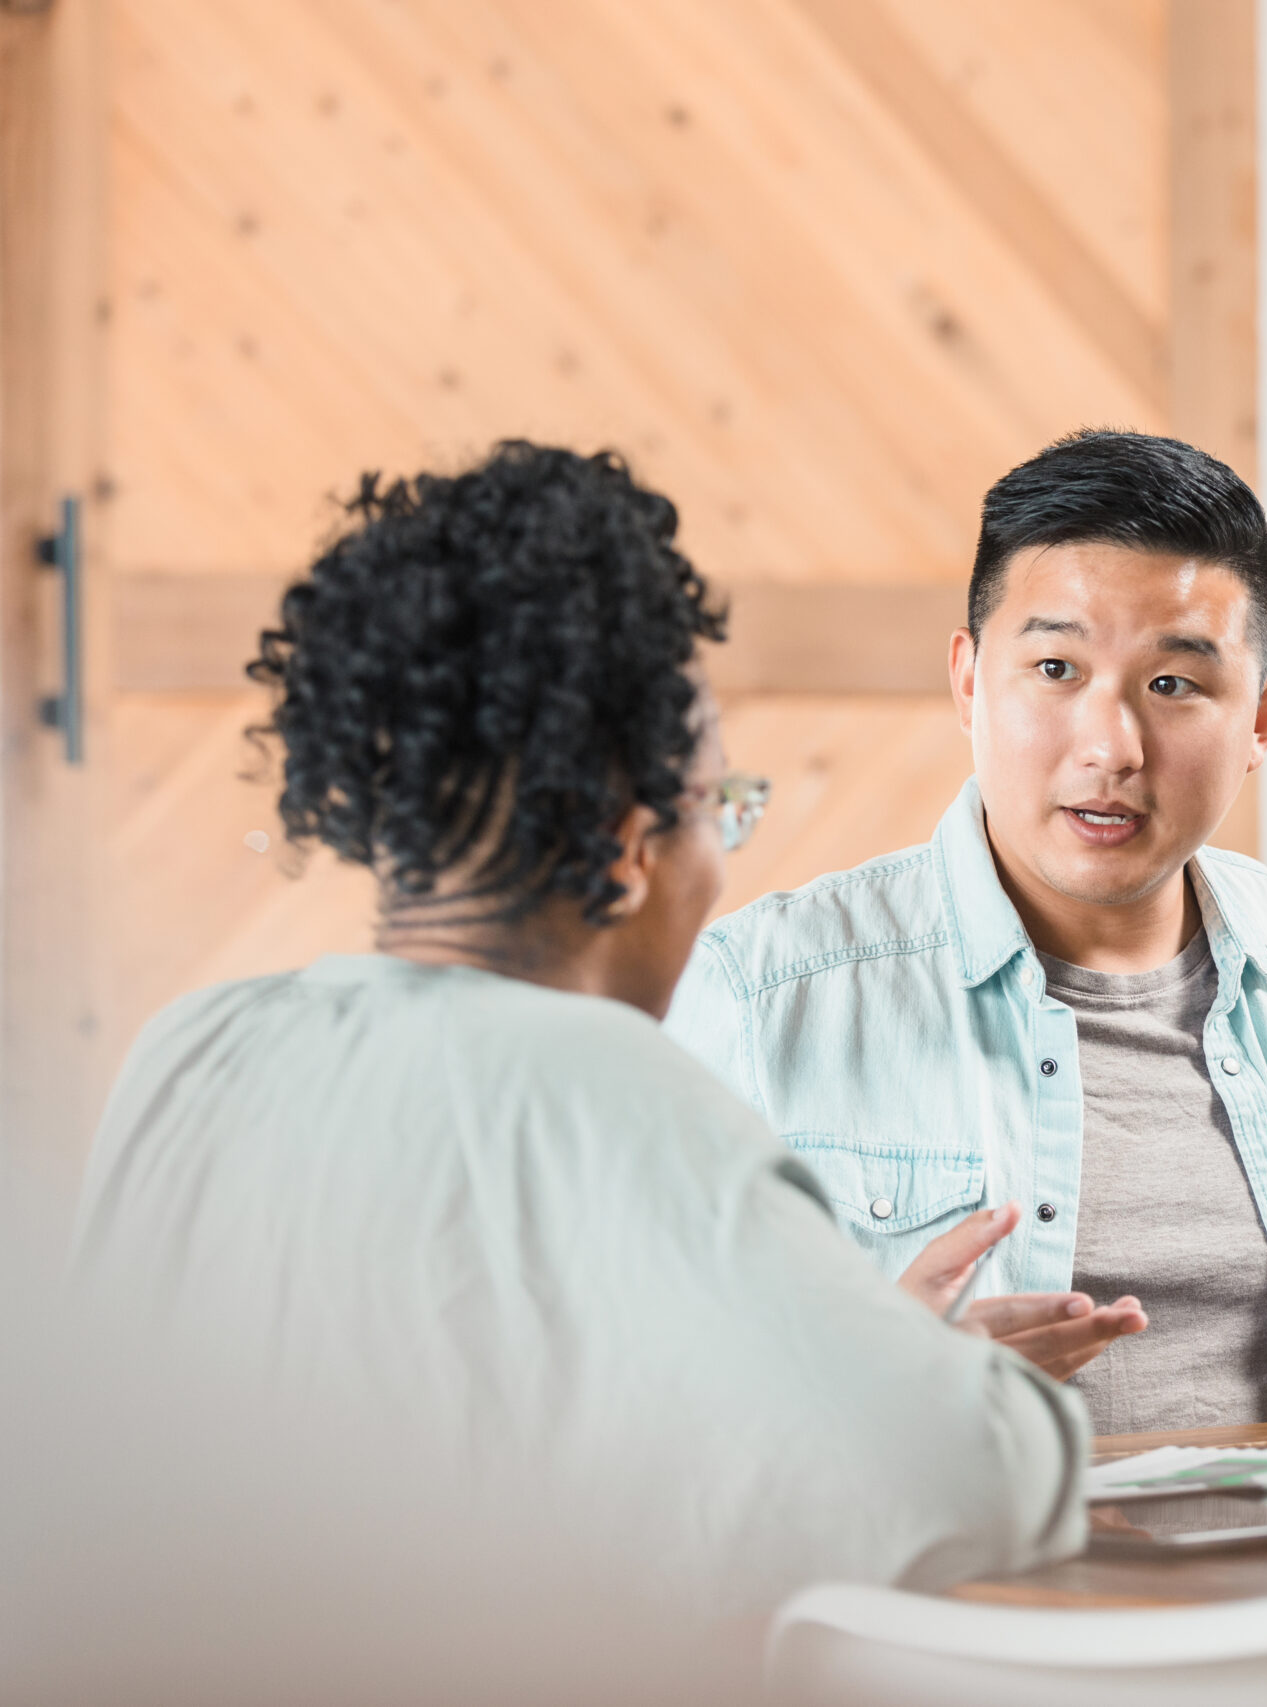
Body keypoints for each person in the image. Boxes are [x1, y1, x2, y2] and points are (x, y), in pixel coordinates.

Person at [72, 442, 1092, 1611]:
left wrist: (847, 1359)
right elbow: (976, 1481)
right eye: (721, 804)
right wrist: (923, 1373)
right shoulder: (621, 1090)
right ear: (628, 841)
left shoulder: (196, 1050)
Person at [665, 429, 1267, 1437]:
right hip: (957, 1589)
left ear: (1262, 718)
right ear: (967, 683)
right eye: (1054, 668)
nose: (1111, 747)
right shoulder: (759, 999)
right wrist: (879, 1388)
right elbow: (625, 1417)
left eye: (1174, 685)